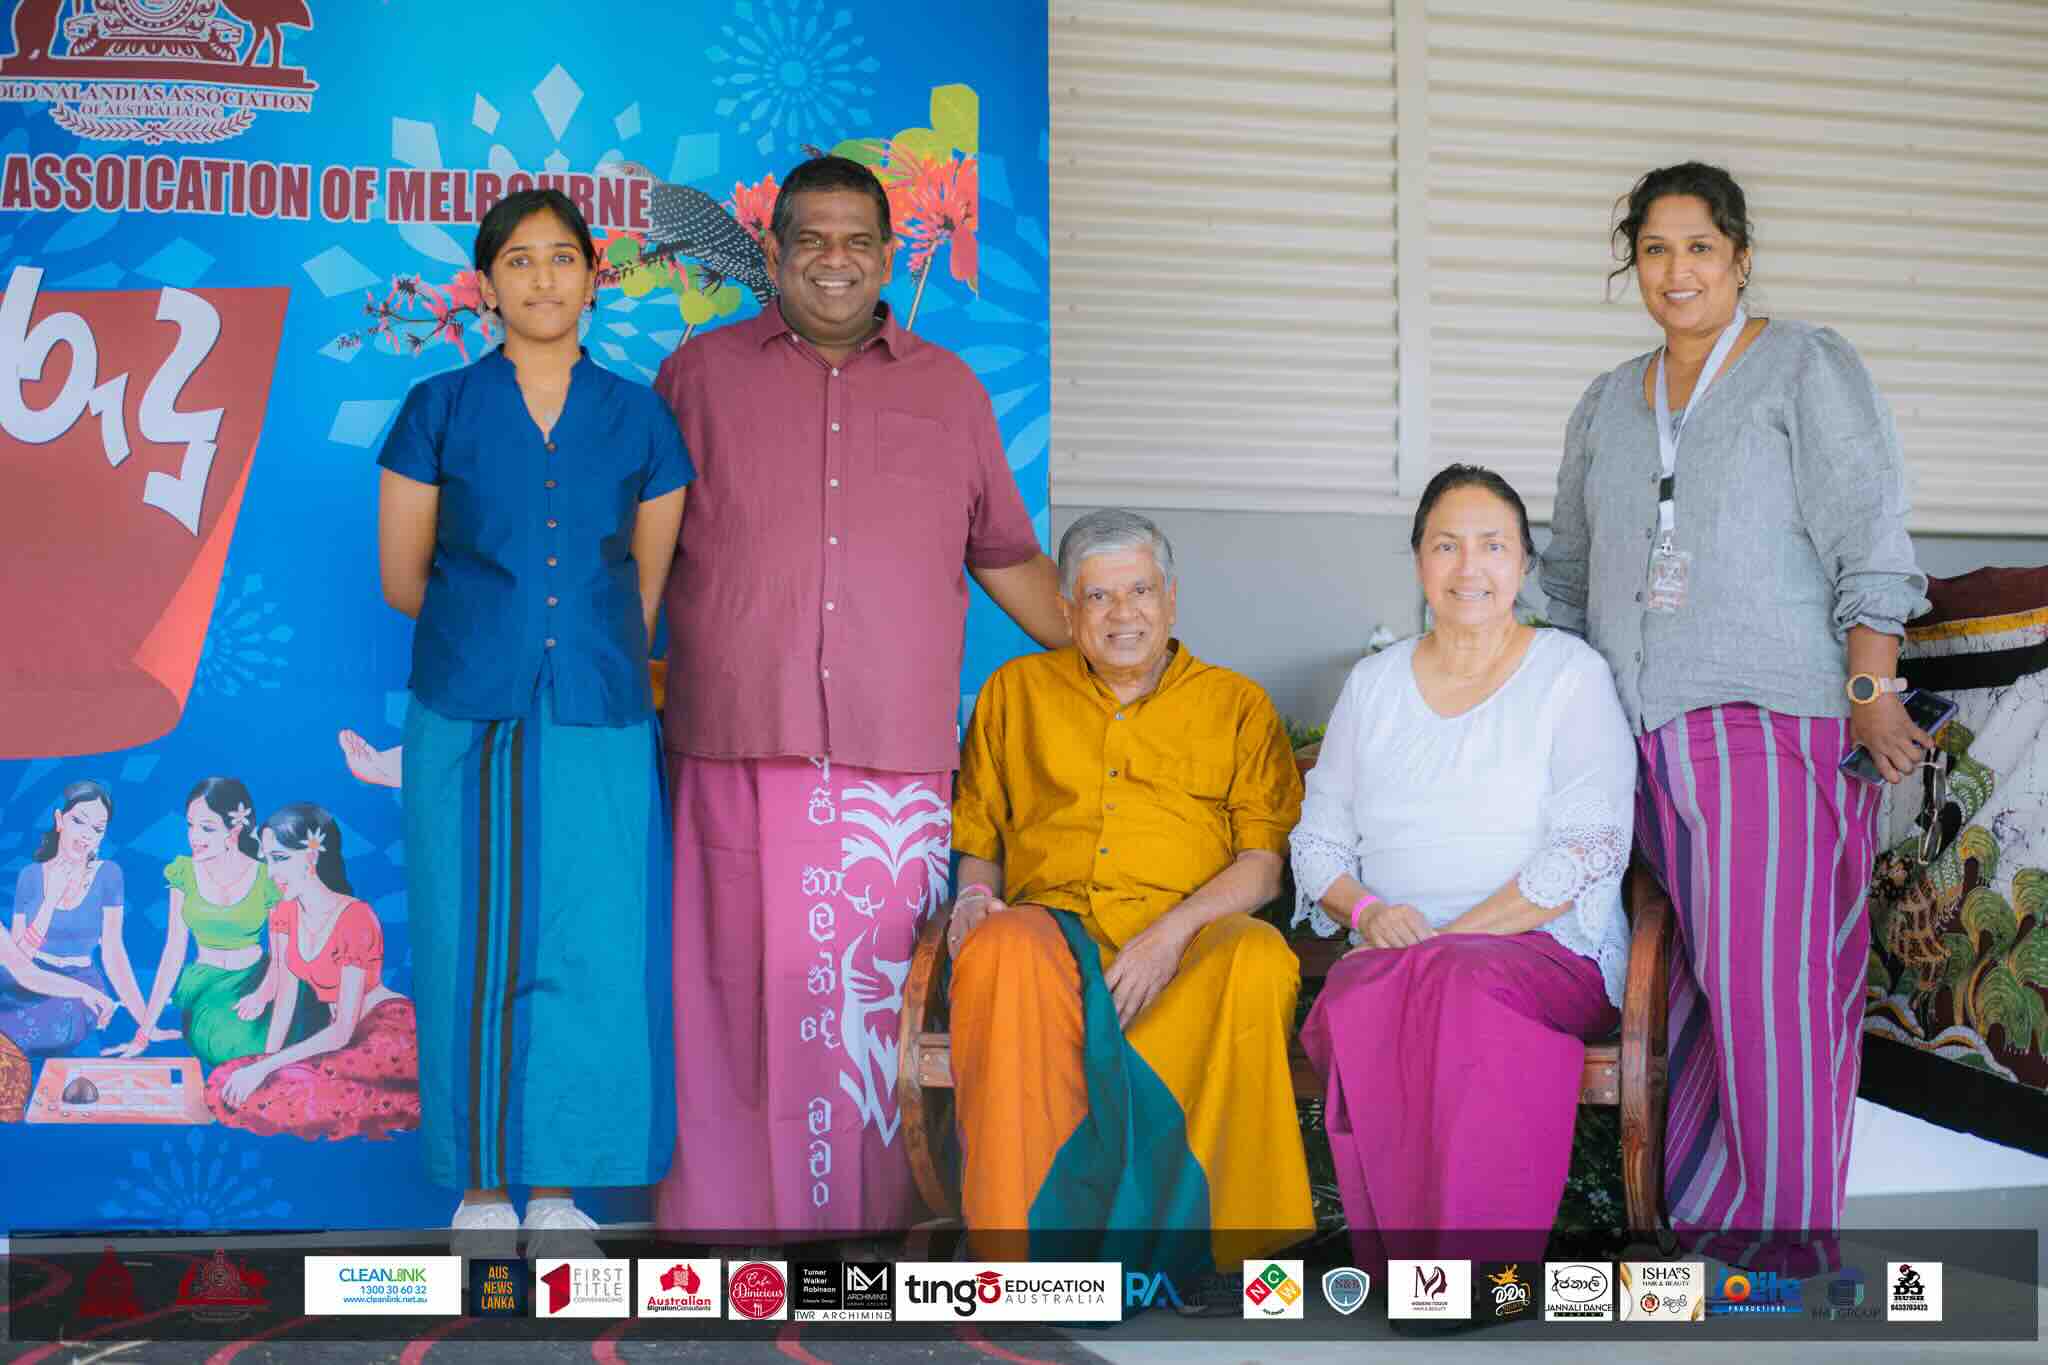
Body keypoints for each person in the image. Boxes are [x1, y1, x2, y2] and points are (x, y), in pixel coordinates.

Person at [652, 154, 1067, 1239]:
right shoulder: (697, 375)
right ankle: (724, 1231)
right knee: (734, 999)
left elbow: (1005, 553)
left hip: (893, 763)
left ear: (890, 254)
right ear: (775, 252)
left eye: (856, 240)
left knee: (867, 1011)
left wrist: (1112, 655)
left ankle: (870, 1231)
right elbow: (636, 557)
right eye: (810, 240)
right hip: (736, 737)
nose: (833, 261)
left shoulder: (948, 390)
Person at [1541, 162, 1929, 1275]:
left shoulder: (1801, 366)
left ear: (1740, 256)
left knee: (1777, 988)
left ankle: (1787, 1248)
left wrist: (1867, 688)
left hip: (1765, 722)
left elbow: (1867, 534)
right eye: (1654, 250)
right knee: (1701, 988)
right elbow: (1565, 577)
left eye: (1698, 248)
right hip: (1637, 735)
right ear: (1632, 266)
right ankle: (1713, 1217)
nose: (1676, 271)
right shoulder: (1607, 402)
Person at [377, 187, 691, 1251]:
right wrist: (505, 631)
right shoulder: (439, 407)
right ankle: (478, 1190)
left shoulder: (640, 416)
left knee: (594, 943)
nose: (543, 278)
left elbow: (643, 586)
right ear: (485, 284)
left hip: (598, 711)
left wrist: (568, 643)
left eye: (563, 258)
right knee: (469, 935)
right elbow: (401, 575)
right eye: (519, 260)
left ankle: (559, 1187)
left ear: (594, 280)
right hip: (464, 707)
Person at [947, 509, 1311, 1293]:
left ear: (1171, 600)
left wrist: (1171, 934)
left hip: (1189, 935)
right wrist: (974, 902)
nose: (1124, 614)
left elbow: (1263, 866)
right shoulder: (1014, 695)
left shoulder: (1236, 706)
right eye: (1100, 598)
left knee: (1254, 957)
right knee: (998, 950)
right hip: (1056, 934)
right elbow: (980, 841)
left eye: (1139, 591)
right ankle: (1021, 1255)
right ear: (1068, 611)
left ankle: (1224, 1260)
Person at [1293, 467, 1634, 1294]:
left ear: (1522, 567)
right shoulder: (1374, 687)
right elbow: (1317, 842)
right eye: (1447, 545)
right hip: (1401, 953)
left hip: (1540, 952)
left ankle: (1482, 1276)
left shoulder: (1568, 672)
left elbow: (1588, 846)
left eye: (1493, 546)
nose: (1469, 565)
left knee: (1454, 978)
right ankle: (1408, 1273)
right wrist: (1367, 910)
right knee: (1372, 987)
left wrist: (1459, 932)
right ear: (1419, 562)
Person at [206, 803, 419, 1141]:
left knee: (300, 1088)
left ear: (311, 856)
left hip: (387, 1032)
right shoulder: (284, 913)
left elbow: (343, 1031)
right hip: (340, 1039)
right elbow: (285, 1002)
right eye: (267, 860)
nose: (271, 872)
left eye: (280, 858)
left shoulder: (356, 918)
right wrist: (265, 1063)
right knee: (229, 1079)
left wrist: (264, 1068)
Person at [111, 777, 312, 1070]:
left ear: (234, 830)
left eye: (206, 828)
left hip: (261, 978)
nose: (194, 836)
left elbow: (284, 955)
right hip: (207, 984)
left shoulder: (268, 877)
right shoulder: (183, 873)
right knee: (224, 1045)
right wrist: (144, 1033)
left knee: (286, 1037)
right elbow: (173, 952)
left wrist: (263, 993)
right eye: (190, 825)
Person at [1, 781, 142, 1057]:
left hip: (80, 980)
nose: (86, 835)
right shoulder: (30, 876)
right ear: (59, 820)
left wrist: (144, 1020)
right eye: (79, 821)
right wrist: (49, 902)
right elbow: (21, 962)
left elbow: (113, 953)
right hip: (29, 980)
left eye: (97, 829)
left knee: (63, 1020)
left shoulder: (108, 875)